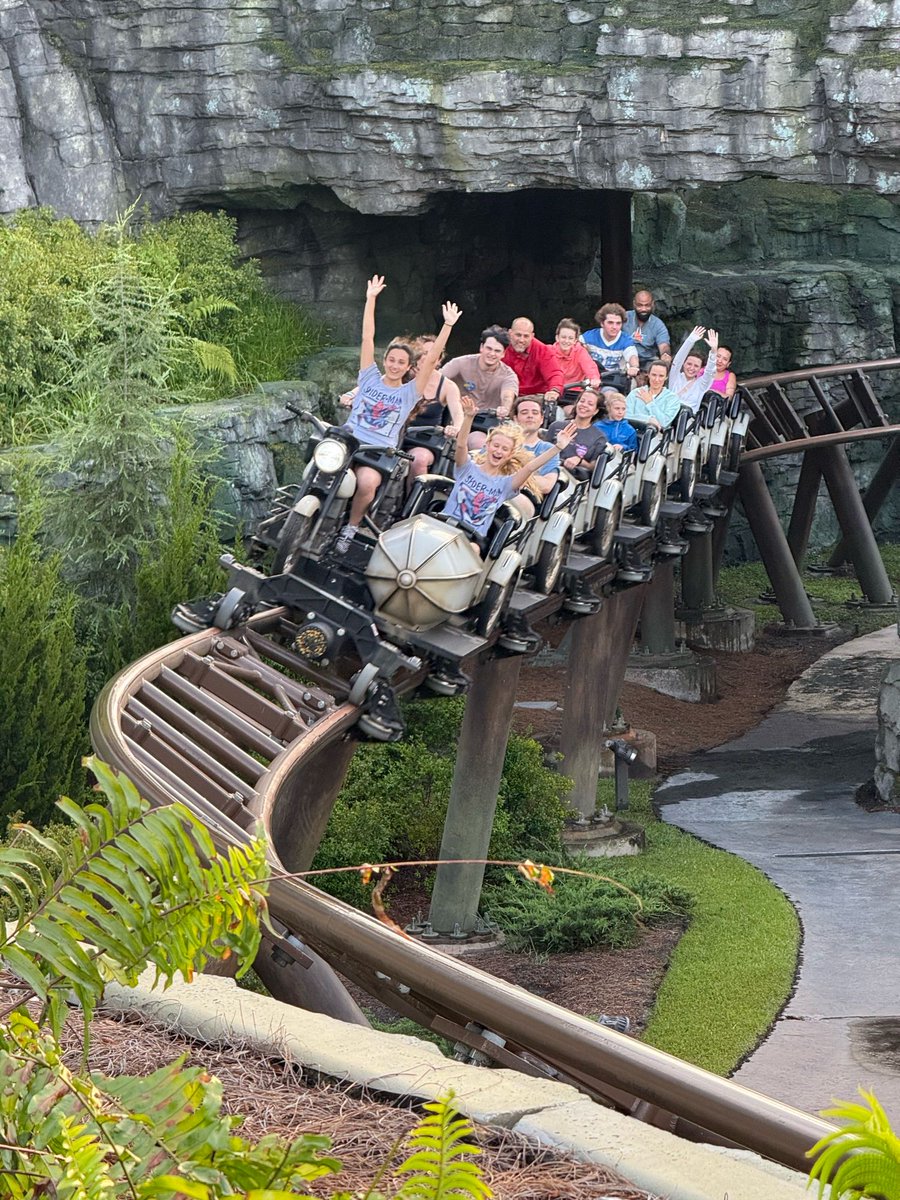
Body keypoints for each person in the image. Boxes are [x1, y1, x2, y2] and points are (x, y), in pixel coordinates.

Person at [336, 275, 461, 553]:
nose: (394, 365)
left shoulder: (408, 393)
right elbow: (367, 337)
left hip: (378, 450)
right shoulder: (368, 378)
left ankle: (351, 527)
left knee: (367, 482)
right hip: (350, 439)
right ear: (385, 361)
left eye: (401, 362)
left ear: (408, 367)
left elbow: (431, 358)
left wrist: (447, 326)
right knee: (323, 460)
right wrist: (370, 299)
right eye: (391, 360)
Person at [443, 397, 576, 536]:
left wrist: (558, 447)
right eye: (524, 412)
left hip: (474, 532)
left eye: (534, 413)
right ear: (487, 445)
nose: (499, 451)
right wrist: (469, 416)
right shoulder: (468, 468)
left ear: (511, 454)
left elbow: (531, 469)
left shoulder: (505, 483)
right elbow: (461, 445)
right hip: (448, 524)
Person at [442, 326, 519, 448]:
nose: (492, 354)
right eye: (488, 348)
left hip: (485, 425)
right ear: (481, 347)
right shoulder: (461, 363)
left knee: (478, 442)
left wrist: (504, 408)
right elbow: (437, 380)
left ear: (503, 353)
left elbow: (508, 395)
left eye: (497, 351)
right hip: (457, 420)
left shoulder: (508, 375)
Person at [580, 303, 639, 393]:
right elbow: (574, 350)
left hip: (612, 382)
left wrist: (634, 367)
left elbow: (632, 356)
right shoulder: (588, 337)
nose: (614, 327)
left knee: (609, 394)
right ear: (602, 323)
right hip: (590, 380)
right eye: (610, 323)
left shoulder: (625, 340)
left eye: (618, 323)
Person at [502, 317, 564, 402]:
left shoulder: (542, 350)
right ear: (510, 333)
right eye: (518, 335)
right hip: (507, 395)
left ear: (532, 336)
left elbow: (554, 374)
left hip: (535, 398)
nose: (521, 340)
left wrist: (554, 390)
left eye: (526, 336)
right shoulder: (501, 347)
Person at [547, 388, 608, 472]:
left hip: (574, 478)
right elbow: (542, 452)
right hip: (549, 471)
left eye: (590, 404)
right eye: (582, 401)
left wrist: (579, 461)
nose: (584, 405)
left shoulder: (599, 437)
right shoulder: (556, 426)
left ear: (596, 411)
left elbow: (594, 467)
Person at [512, 395, 560, 500]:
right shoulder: (501, 441)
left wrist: (510, 476)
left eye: (535, 413)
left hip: (526, 498)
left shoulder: (548, 449)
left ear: (541, 419)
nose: (530, 416)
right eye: (524, 413)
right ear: (515, 419)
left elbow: (547, 485)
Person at [669, 325, 720, 413]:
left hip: (687, 421)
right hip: (669, 415)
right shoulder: (675, 378)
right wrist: (690, 340)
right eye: (689, 364)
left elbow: (710, 371)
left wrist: (714, 351)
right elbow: (677, 361)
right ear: (684, 364)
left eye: (696, 366)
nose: (691, 368)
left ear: (700, 369)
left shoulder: (701, 384)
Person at [624, 359, 681, 430]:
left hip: (656, 437)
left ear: (666, 377)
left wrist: (650, 403)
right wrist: (649, 420)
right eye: (654, 375)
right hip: (631, 433)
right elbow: (625, 416)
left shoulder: (672, 398)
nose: (657, 379)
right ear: (648, 374)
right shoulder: (636, 393)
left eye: (661, 376)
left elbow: (663, 422)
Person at [624, 290, 672, 369]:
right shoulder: (624, 317)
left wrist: (665, 355)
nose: (643, 309)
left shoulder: (658, 324)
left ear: (652, 304)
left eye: (647, 305)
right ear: (634, 304)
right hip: (625, 359)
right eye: (640, 305)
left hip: (648, 361)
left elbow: (664, 346)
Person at [549, 318, 601, 390]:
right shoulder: (548, 351)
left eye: (570, 338)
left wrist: (594, 378)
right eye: (563, 337)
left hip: (573, 393)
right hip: (551, 392)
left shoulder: (580, 352)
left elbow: (589, 366)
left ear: (575, 341)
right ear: (557, 338)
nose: (567, 341)